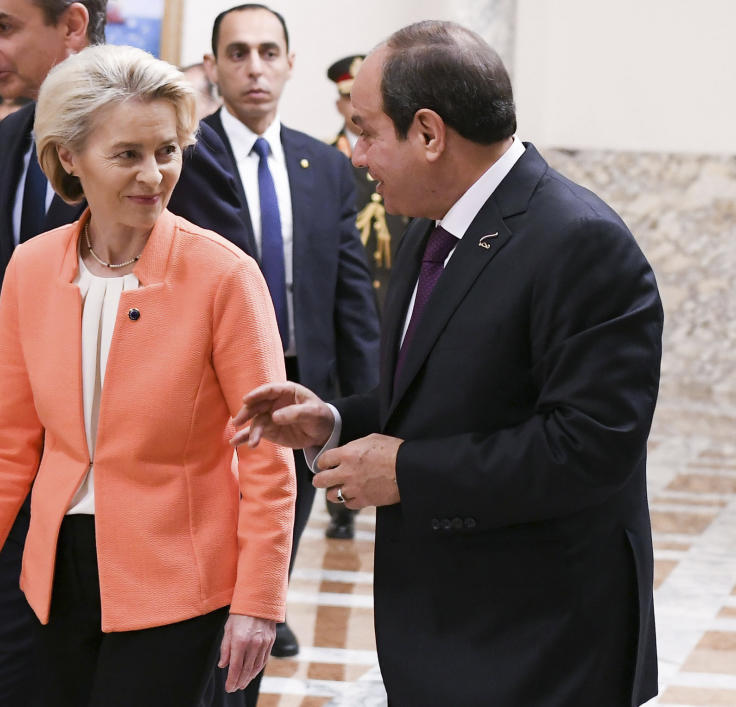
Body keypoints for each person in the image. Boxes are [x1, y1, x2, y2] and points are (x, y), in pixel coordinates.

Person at [233, 20, 661, 706]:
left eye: (367, 131)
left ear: (429, 134)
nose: (356, 155)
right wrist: (335, 420)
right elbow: (435, 393)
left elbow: (589, 449)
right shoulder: (431, 227)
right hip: (447, 630)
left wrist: (403, 471)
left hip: (540, 643)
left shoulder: (580, 242)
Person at [0, 44, 295, 705]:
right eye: (128, 154)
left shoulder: (226, 276)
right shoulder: (31, 269)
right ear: (69, 157)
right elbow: (7, 440)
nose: (154, 174)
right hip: (52, 576)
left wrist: (260, 601)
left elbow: (267, 455)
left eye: (167, 150)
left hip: (179, 580)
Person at [201, 3, 379, 665]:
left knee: (290, 499)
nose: (254, 68)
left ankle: (265, 602)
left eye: (268, 53)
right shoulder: (187, 156)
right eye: (238, 53)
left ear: (290, 64)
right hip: (215, 376)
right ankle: (221, 604)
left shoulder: (324, 165)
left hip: (305, 371)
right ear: (215, 66)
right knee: (222, 505)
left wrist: (367, 401)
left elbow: (351, 290)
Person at [323, 53, 408, 540]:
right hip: (354, 298)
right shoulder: (329, 160)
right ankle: (342, 505)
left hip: (391, 288)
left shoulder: (398, 160)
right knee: (350, 393)